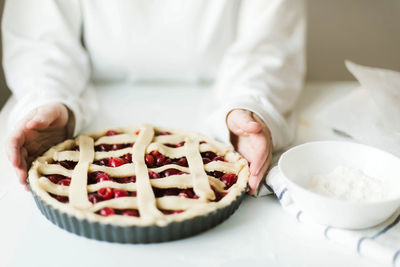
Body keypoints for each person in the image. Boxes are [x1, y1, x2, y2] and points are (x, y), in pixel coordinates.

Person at [3, 0, 305, 195]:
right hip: (85, 122)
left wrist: (248, 105)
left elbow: (268, 45)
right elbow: (39, 39)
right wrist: (49, 100)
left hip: (220, 120)